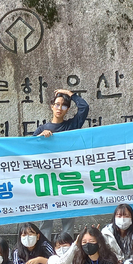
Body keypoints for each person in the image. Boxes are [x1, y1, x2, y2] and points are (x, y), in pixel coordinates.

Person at [33, 89, 89, 241]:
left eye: (64, 106)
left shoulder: (71, 125)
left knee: (68, 219)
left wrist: (69, 93)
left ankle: (67, 250)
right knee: (46, 220)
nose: (59, 108)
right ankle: (44, 248)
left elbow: (84, 108)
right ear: (51, 106)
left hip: (67, 178)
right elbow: (28, 147)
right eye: (57, 105)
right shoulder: (41, 129)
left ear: (68, 109)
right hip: (47, 179)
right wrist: (39, 137)